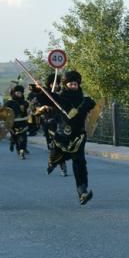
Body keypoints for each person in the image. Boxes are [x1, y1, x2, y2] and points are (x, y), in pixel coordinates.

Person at [46, 70, 96, 205]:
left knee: (79, 162)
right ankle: (53, 161)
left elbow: (92, 104)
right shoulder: (60, 99)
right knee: (58, 155)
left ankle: (82, 191)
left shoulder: (84, 100)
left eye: (75, 84)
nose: (73, 86)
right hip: (63, 135)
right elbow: (47, 98)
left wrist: (83, 107)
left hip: (78, 136)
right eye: (70, 84)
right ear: (65, 85)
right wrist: (41, 89)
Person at [4, 84, 31, 159]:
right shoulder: (9, 103)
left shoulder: (25, 103)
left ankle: (22, 151)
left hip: (23, 122)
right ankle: (13, 143)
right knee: (15, 137)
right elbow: (4, 112)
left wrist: (29, 111)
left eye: (20, 93)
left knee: (23, 137)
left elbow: (28, 111)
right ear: (14, 93)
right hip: (13, 123)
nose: (19, 94)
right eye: (17, 93)